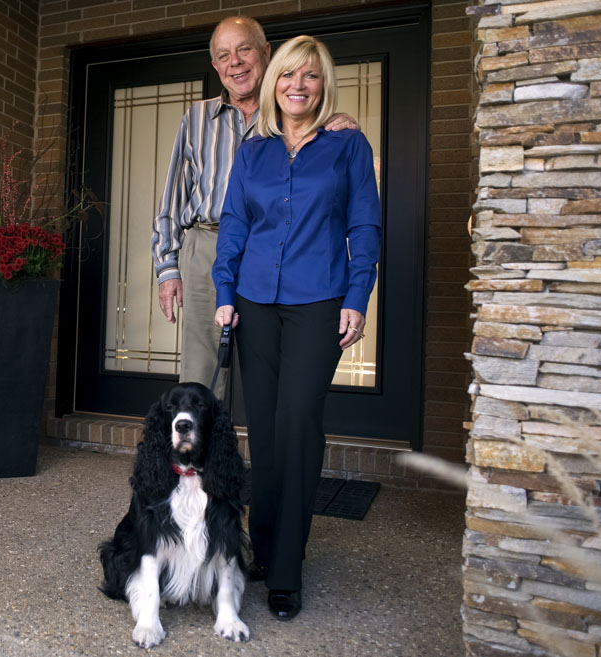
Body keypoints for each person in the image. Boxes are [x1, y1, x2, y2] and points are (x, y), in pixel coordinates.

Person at [212, 35, 381, 620]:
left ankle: (287, 568)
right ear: (272, 82)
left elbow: (365, 223)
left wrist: (358, 295)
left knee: (298, 423)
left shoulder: (347, 145)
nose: (297, 86)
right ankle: (263, 546)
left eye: (309, 77)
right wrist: (225, 292)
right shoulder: (253, 151)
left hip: (318, 301)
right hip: (255, 300)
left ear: (322, 83)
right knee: (262, 428)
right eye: (287, 76)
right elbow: (234, 222)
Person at [150, 16, 358, 399]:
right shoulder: (195, 119)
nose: (236, 62)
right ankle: (199, 459)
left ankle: (264, 455)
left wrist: (339, 125)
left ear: (266, 53)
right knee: (202, 375)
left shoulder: (299, 113)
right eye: (224, 55)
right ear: (215, 65)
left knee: (273, 377)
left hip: (277, 249)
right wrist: (167, 269)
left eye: (244, 49)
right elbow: (171, 200)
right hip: (208, 248)